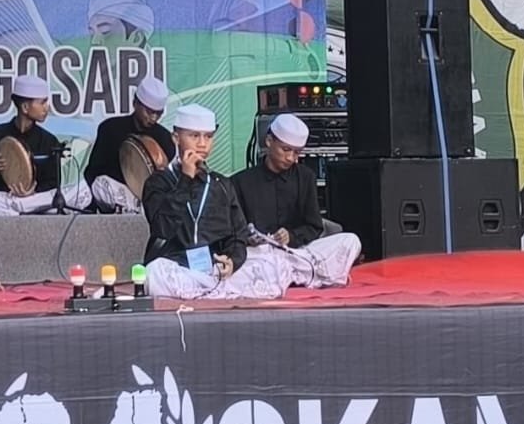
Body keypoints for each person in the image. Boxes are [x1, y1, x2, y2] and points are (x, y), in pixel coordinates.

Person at [139, 104, 289, 301]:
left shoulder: (221, 184)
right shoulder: (158, 181)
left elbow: (238, 235)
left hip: (213, 268)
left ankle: (209, 290)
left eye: (208, 136)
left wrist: (232, 261)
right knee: (154, 273)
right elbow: (163, 229)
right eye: (194, 136)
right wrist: (185, 179)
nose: (202, 144)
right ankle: (214, 292)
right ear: (176, 138)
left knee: (272, 264)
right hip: (176, 265)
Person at [232, 112, 361, 287]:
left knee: (351, 240)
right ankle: (302, 274)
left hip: (297, 253)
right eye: (286, 150)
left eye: (296, 152)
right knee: (248, 258)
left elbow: (314, 226)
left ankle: (288, 274)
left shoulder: (305, 177)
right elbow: (234, 230)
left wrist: (291, 236)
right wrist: (250, 239)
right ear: (269, 141)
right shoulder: (241, 182)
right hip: (261, 254)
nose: (290, 158)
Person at [0, 74, 93, 216]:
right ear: (25, 107)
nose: (47, 108)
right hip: (4, 200)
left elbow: (53, 183)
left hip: (35, 198)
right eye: (42, 103)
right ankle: (22, 208)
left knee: (80, 191)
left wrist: (32, 191)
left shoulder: (49, 140)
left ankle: (21, 208)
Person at [85, 74, 176, 212]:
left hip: (147, 201)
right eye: (149, 112)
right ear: (135, 103)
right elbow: (94, 171)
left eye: (158, 113)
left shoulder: (164, 138)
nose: (153, 118)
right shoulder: (111, 129)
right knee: (100, 184)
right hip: (112, 194)